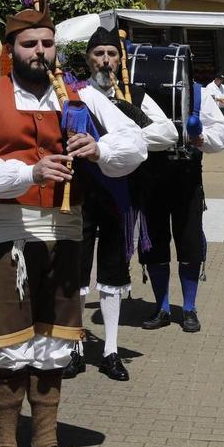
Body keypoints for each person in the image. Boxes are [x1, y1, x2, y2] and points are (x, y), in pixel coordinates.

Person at [0, 0, 147, 447]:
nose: (40, 51)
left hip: (64, 231)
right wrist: (29, 172)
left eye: (47, 43)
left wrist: (99, 148)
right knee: (8, 341)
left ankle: (44, 443)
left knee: (54, 341)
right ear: (11, 50)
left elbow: (138, 143)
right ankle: (3, 446)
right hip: (6, 233)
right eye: (29, 44)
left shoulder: (78, 96)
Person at [64, 26, 178, 382]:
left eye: (111, 54)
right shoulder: (74, 93)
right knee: (77, 271)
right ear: (88, 59)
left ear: (120, 59)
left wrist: (124, 132)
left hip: (121, 194)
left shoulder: (135, 96)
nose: (105, 60)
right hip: (80, 192)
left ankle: (111, 350)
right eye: (99, 54)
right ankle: (74, 347)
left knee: (113, 272)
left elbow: (169, 133)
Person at [139, 65, 224, 334]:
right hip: (150, 178)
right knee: (154, 244)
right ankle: (162, 307)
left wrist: (201, 138)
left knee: (189, 244)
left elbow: (220, 132)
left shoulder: (199, 94)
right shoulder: (140, 93)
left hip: (187, 179)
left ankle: (189, 308)